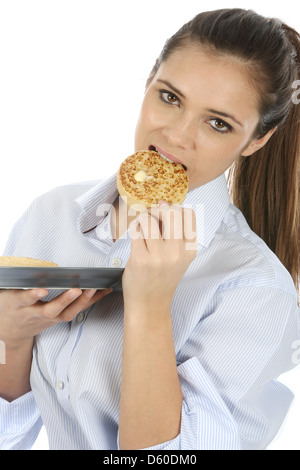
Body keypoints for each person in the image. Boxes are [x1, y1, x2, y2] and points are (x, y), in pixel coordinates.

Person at [0, 8, 299, 450]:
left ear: (256, 140)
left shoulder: (253, 288)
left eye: (218, 123)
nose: (177, 135)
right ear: (148, 83)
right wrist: (13, 338)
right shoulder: (52, 215)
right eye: (170, 98)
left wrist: (150, 306)